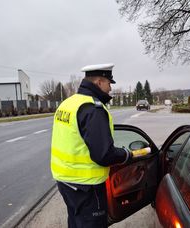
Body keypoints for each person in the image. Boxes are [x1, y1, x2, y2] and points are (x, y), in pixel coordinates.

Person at [50, 63, 131, 228]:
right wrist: (126, 154)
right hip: (87, 186)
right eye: (109, 83)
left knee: (75, 221)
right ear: (100, 82)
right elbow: (104, 155)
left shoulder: (68, 103)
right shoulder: (93, 109)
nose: (110, 89)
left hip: (65, 182)